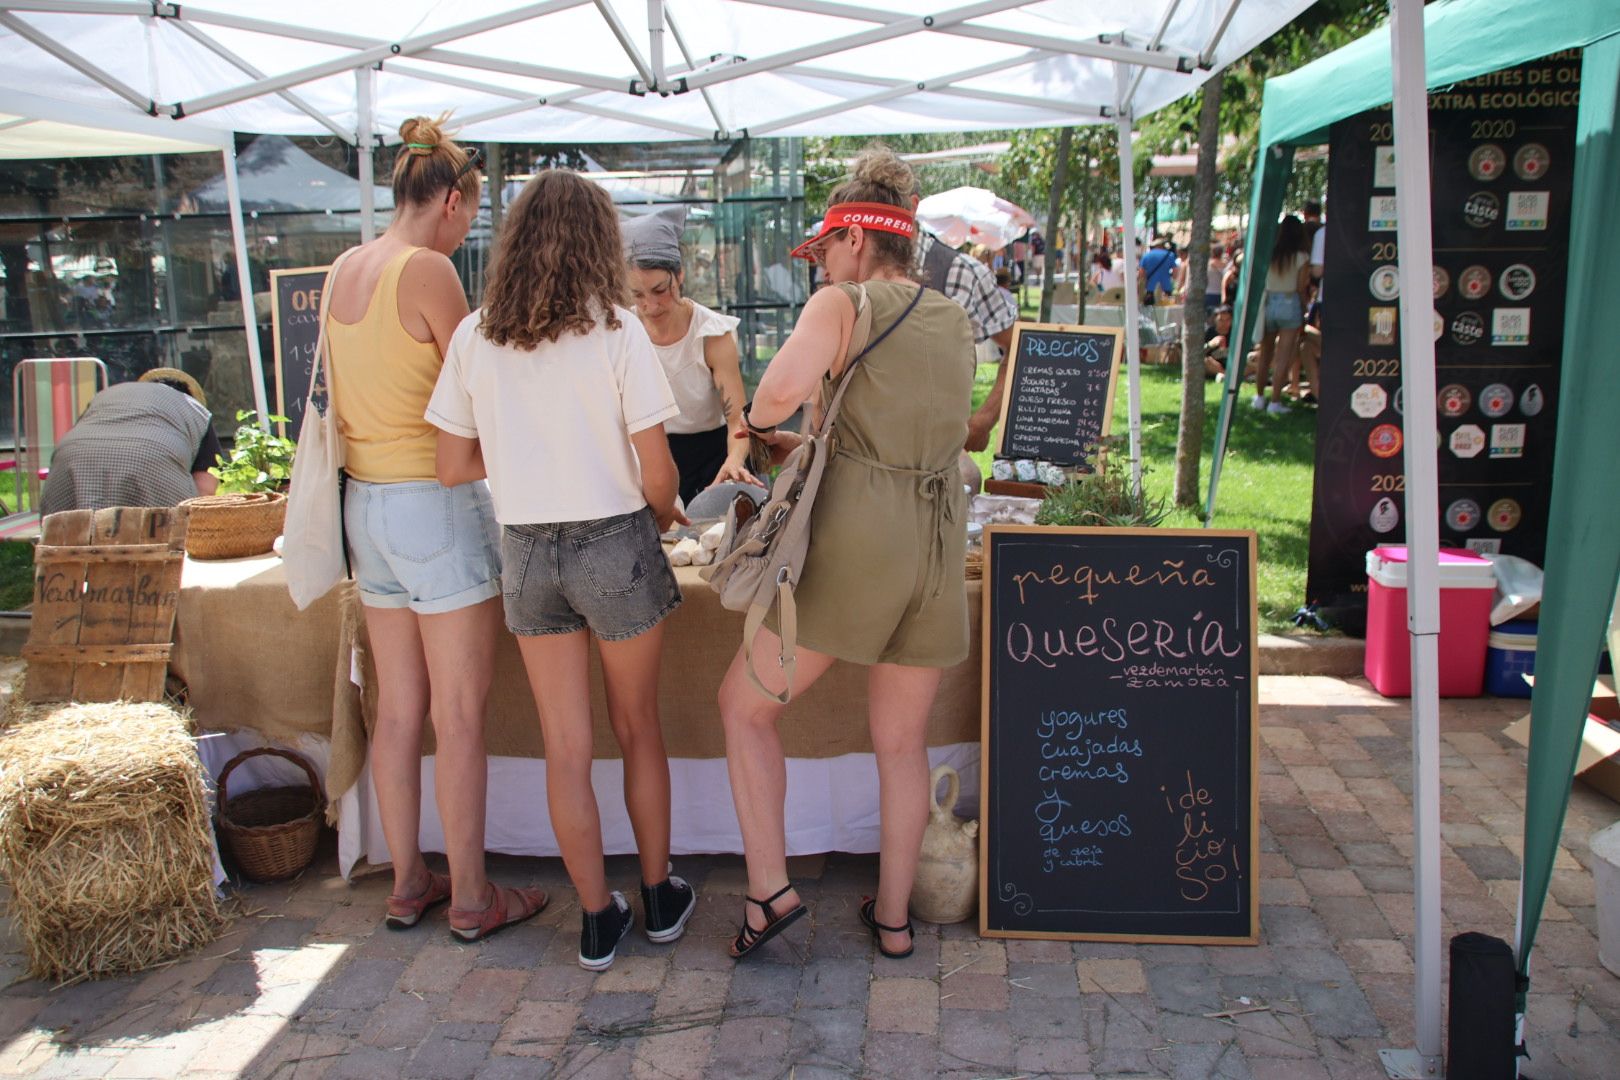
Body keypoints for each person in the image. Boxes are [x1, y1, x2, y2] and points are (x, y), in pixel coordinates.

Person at [427, 169, 697, 972]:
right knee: (638, 728)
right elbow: (659, 477)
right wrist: (655, 515)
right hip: (614, 538)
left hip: (526, 549)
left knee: (565, 747)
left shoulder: (476, 335)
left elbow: (449, 465)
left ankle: (593, 918)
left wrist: (520, 453)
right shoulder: (618, 331)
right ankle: (658, 898)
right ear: (597, 244)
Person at [721, 146, 974, 962]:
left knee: (743, 707)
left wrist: (776, 398)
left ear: (857, 242)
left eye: (824, 251)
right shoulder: (952, 317)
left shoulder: (843, 304)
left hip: (858, 542)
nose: (820, 268)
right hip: (935, 541)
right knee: (903, 741)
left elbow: (769, 399)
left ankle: (771, 893)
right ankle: (895, 922)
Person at [324, 115, 547, 942]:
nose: (469, 230)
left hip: (366, 509)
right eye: (471, 213)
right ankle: (472, 896)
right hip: (436, 503)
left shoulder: (349, 266)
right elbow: (478, 392)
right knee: (459, 713)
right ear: (451, 200)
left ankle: (409, 878)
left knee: (398, 709)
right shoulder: (428, 272)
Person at [623, 205, 757, 506]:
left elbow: (738, 419)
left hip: (714, 452)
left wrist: (734, 462)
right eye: (638, 295)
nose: (651, 306)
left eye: (660, 290)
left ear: (679, 275)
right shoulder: (625, 333)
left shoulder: (710, 333)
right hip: (652, 453)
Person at [39, 368, 221, 514]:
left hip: (72, 454)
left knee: (67, 537)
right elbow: (205, 488)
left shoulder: (108, 394)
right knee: (169, 538)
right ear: (191, 395)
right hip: (151, 455)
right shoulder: (195, 410)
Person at [1251, 214, 1313, 415]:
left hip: (1269, 301)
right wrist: (1304, 310)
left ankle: (1260, 396)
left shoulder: (1270, 253)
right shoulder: (1302, 257)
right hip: (1289, 301)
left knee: (1265, 354)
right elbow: (1301, 288)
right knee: (1283, 355)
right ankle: (1275, 401)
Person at [1138, 235, 1177, 305]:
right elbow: (1175, 271)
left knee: (1150, 308)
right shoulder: (1170, 255)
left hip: (1150, 288)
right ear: (1162, 246)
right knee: (1166, 307)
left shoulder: (1146, 256)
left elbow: (1141, 272)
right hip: (1166, 287)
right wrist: (1173, 280)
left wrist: (1144, 281)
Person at [1203, 305, 1234, 379]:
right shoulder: (1209, 332)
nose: (1224, 323)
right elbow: (1198, 353)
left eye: (1228, 320)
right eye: (1221, 320)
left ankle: (1226, 376)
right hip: (1214, 366)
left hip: (1233, 365)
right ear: (1215, 319)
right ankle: (1228, 377)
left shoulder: (1235, 333)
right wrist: (1210, 344)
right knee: (1205, 361)